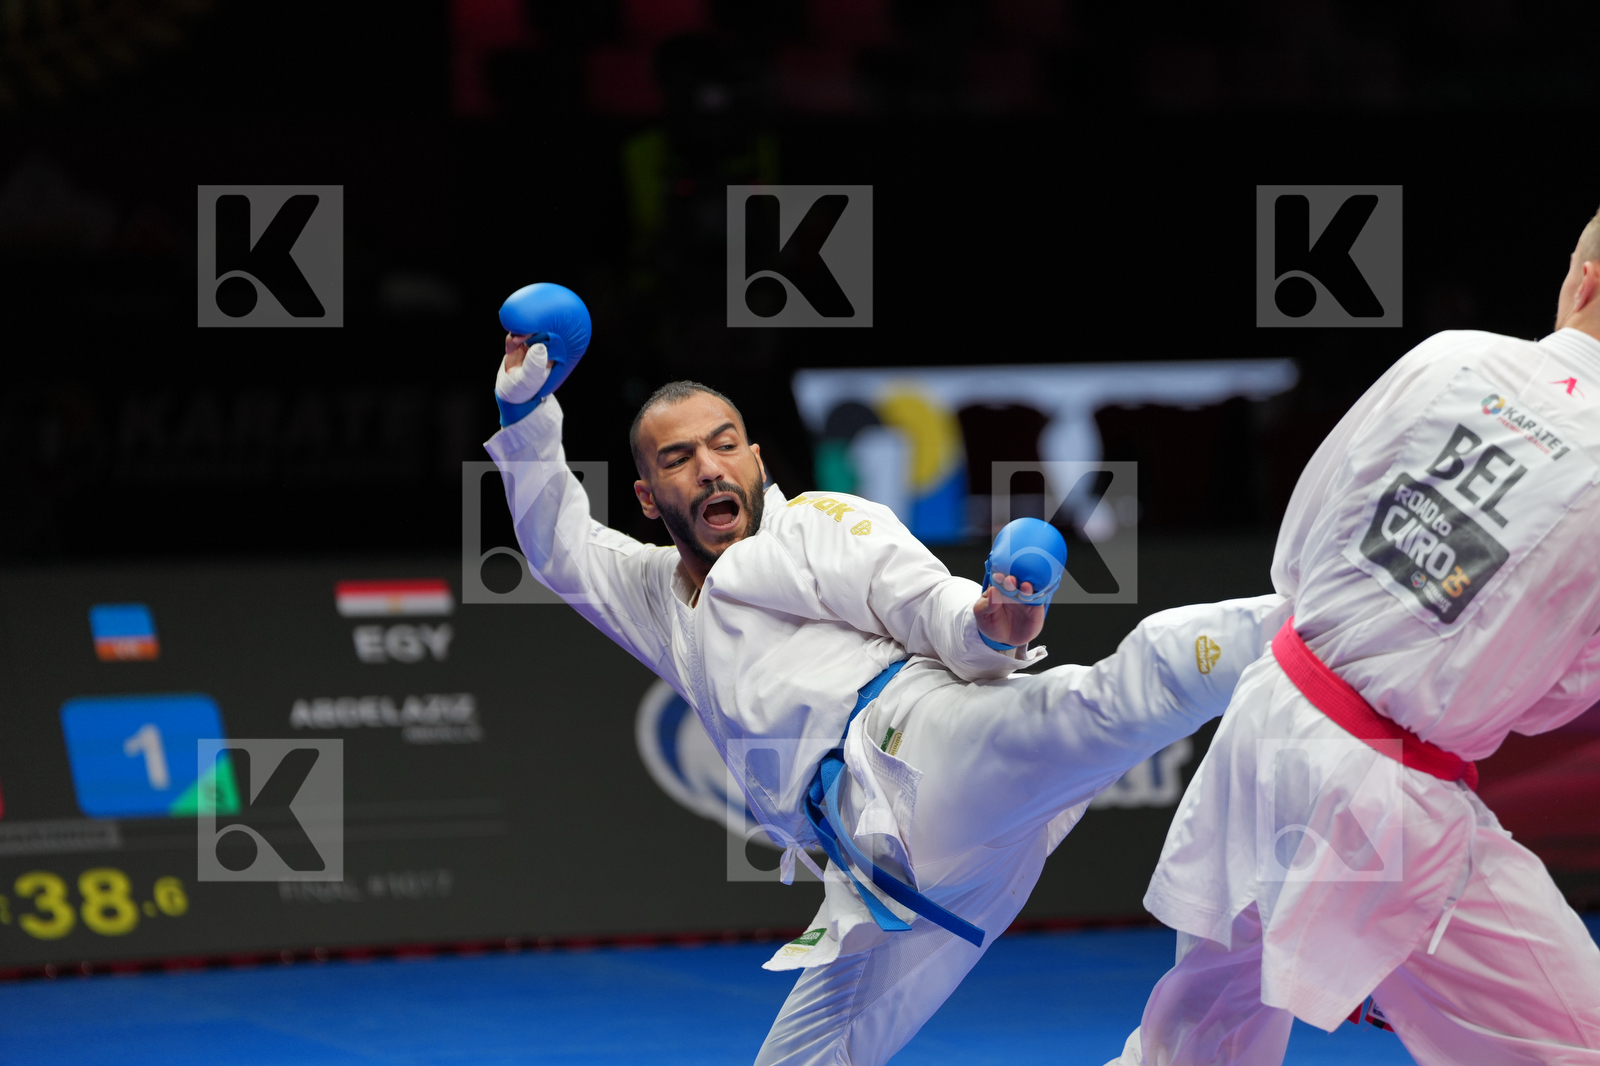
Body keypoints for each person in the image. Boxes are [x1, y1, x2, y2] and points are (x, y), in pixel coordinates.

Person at [486, 324, 1285, 1066]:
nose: (709, 467)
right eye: (679, 458)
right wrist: (525, 412)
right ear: (647, 496)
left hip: (917, 751)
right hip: (881, 880)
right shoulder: (656, 595)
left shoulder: (818, 526)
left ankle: (1294, 625)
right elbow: (560, 548)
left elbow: (930, 604)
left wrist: (995, 623)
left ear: (758, 461)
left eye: (725, 445)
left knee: (1095, 710)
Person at [1107, 212, 1600, 1066]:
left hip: (1272, 714)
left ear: (1584, 280)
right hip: (1388, 797)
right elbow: (1560, 693)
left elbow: (1299, 546)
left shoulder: (1451, 357)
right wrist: (1460, 665)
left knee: (1196, 1041)